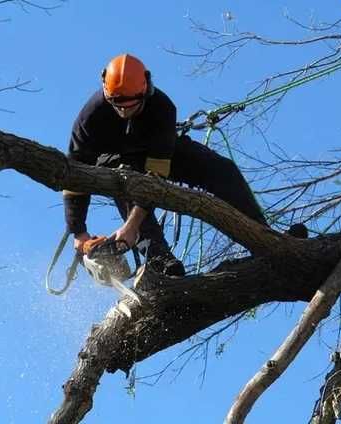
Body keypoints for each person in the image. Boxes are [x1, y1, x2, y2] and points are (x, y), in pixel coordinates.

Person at [63, 53, 289, 277]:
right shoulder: (89, 119)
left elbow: (155, 178)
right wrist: (78, 232)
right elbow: (73, 176)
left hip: (154, 155)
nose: (123, 111)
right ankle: (160, 258)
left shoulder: (162, 108)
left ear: (145, 91)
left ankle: (265, 238)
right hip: (113, 162)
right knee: (126, 177)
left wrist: (131, 226)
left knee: (222, 169)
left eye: (130, 106)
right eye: (117, 105)